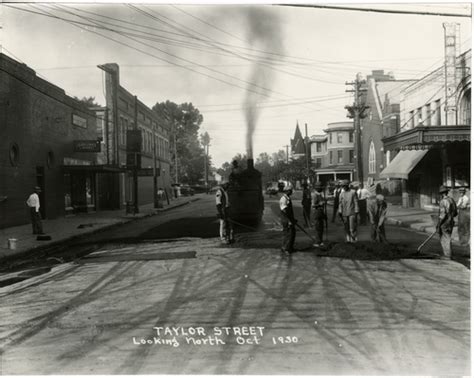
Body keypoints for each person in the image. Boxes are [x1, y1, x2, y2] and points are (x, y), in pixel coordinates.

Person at [437, 185, 458, 259]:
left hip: (445, 222)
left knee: (444, 238)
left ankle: (447, 255)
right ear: (447, 192)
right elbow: (455, 212)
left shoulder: (443, 201)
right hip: (451, 222)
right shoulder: (452, 200)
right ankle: (449, 254)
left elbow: (443, 215)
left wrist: (439, 224)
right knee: (448, 237)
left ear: (442, 193)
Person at [280, 182, 296, 255]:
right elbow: (285, 211)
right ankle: (285, 249)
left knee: (292, 233)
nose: (291, 192)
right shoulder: (283, 199)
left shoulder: (288, 198)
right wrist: (289, 221)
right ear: (287, 191)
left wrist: (293, 219)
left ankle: (290, 247)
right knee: (287, 234)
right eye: (290, 190)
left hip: (289, 219)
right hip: (286, 219)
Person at [312, 182, 327, 247]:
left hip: (321, 212)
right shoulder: (314, 195)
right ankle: (317, 242)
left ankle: (320, 241)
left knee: (321, 227)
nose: (321, 189)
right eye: (320, 188)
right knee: (318, 228)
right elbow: (313, 205)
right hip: (317, 212)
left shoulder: (320, 194)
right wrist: (320, 204)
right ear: (317, 188)